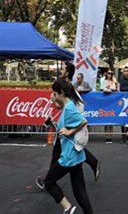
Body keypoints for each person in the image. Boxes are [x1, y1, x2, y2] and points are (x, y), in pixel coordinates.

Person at [36, 63, 100, 190]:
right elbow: (61, 106)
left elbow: (70, 107)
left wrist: (71, 129)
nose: (61, 70)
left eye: (64, 69)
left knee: (63, 151)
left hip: (72, 122)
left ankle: (49, 181)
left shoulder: (67, 87)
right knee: (67, 151)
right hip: (69, 121)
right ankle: (93, 163)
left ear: (67, 73)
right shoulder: (66, 86)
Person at [44, 79, 94, 214]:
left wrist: (69, 131)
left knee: (48, 182)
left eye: (54, 94)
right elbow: (60, 109)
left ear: (61, 93)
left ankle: (68, 208)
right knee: (79, 192)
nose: (53, 96)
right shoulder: (68, 105)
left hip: (69, 157)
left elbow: (83, 121)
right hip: (76, 156)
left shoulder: (70, 109)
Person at [103, 69, 117, 144]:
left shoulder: (113, 82)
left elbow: (114, 88)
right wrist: (109, 89)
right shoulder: (104, 81)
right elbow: (104, 89)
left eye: (111, 73)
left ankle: (110, 136)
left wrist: (109, 88)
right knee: (106, 120)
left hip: (112, 102)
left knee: (111, 120)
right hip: (106, 102)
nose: (110, 75)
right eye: (108, 73)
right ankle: (106, 136)